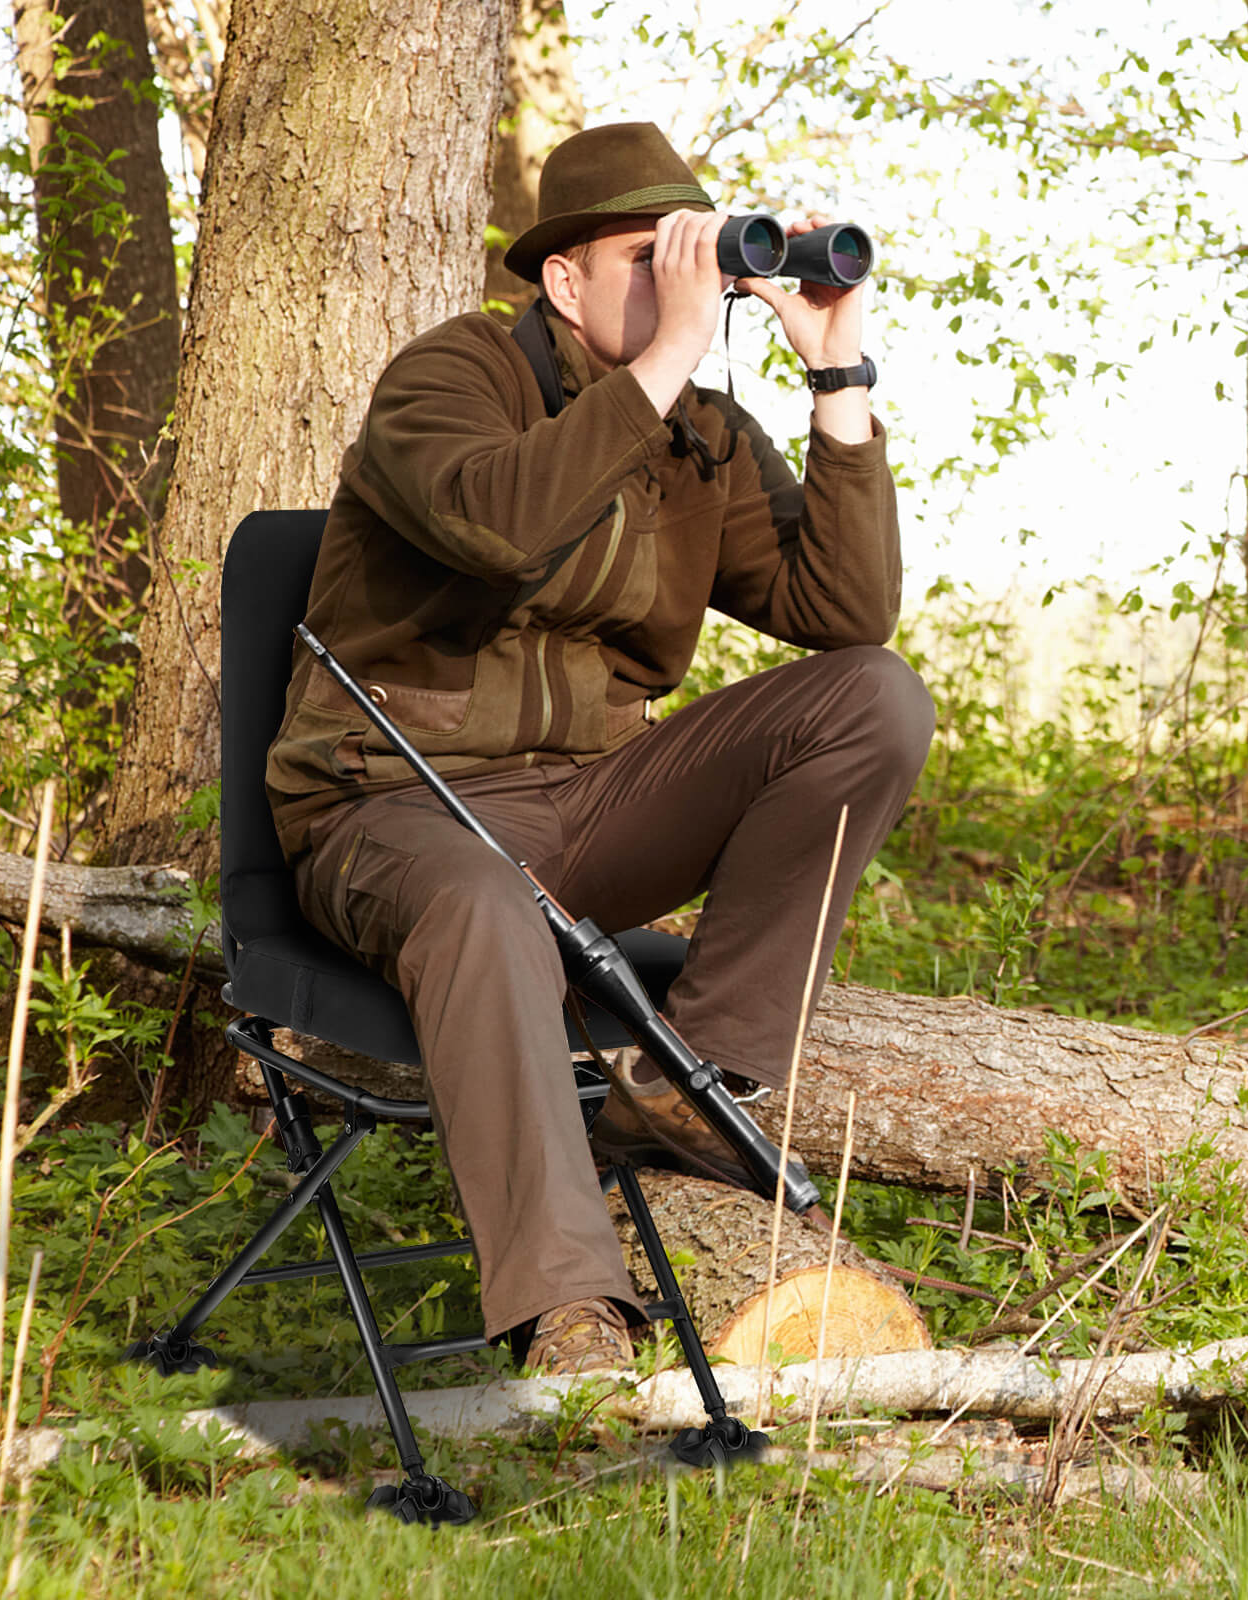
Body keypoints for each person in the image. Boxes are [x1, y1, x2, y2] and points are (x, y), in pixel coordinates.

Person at [265, 121, 934, 1374]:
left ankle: (699, 1078)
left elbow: (843, 618)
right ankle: (569, 1307)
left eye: (695, 255)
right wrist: (675, 351)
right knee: (479, 902)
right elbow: (500, 528)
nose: (681, 278)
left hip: (586, 806)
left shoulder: (706, 435)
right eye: (648, 256)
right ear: (562, 279)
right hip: (393, 810)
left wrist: (837, 376)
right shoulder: (448, 376)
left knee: (873, 697)